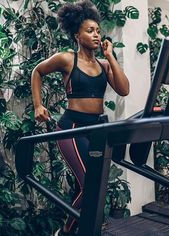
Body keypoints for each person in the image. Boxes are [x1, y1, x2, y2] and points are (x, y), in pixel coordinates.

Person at [31, 0, 129, 235]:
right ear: (77, 35)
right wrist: (38, 105)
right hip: (71, 128)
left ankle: (77, 230)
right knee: (91, 184)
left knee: (89, 186)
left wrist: (111, 55)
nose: (96, 35)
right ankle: (65, 231)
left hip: (97, 129)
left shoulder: (105, 65)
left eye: (97, 30)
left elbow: (124, 89)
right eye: (90, 30)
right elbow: (37, 71)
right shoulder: (67, 59)